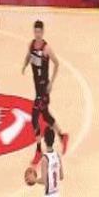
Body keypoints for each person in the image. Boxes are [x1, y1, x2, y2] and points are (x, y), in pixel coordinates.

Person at [22, 20, 69, 165]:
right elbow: (29, 56)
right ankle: (62, 136)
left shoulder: (46, 48)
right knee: (46, 115)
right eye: (35, 32)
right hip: (37, 88)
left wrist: (51, 83)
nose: (37, 34)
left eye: (39, 32)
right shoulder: (31, 45)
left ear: (42, 32)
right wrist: (24, 65)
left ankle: (38, 150)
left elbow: (57, 63)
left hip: (43, 89)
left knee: (34, 117)